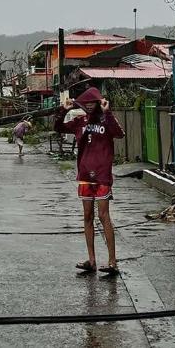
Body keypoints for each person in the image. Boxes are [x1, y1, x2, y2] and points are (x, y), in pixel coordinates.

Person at [54, 87, 125, 274]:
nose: (90, 106)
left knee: (103, 216)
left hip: (102, 175)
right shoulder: (79, 122)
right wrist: (64, 110)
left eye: (94, 102)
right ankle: (91, 260)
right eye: (87, 103)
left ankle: (112, 262)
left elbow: (119, 133)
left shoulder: (106, 120)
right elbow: (58, 127)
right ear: (83, 105)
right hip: (85, 175)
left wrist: (107, 112)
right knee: (87, 216)